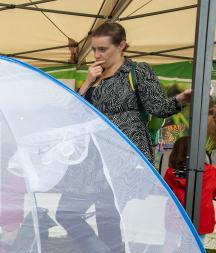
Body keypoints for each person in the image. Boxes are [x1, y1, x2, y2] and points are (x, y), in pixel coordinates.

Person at [79, 22, 192, 163]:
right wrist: (87, 82)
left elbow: (159, 108)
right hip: (97, 155)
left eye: (102, 49)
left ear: (121, 45)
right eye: (94, 49)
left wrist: (181, 99)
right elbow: (76, 112)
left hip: (129, 153)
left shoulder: (138, 71)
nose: (96, 55)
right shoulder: (93, 76)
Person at [164, 134, 216, 239]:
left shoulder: (171, 173)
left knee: (169, 246)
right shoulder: (211, 172)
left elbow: (164, 192)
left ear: (176, 153)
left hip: (176, 217)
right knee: (196, 248)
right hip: (201, 219)